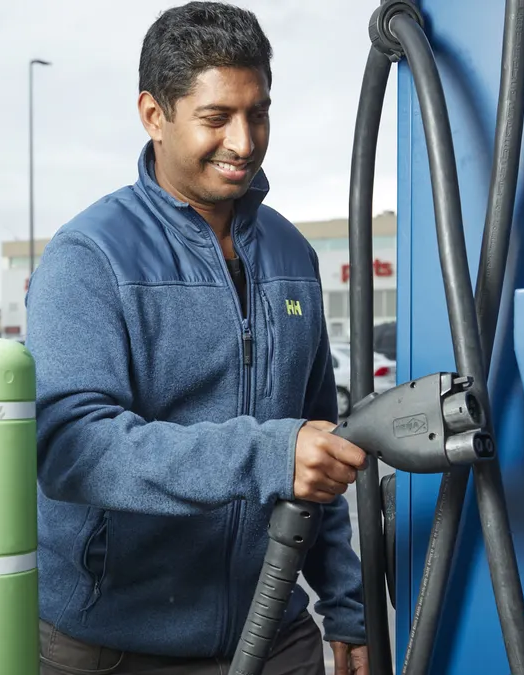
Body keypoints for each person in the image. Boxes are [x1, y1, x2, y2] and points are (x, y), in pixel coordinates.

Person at [26, 3, 370, 674]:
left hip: (271, 629)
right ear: (155, 115)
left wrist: (348, 604)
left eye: (258, 113)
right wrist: (265, 453)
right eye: (216, 118)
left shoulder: (291, 254)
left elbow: (324, 442)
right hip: (116, 645)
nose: (243, 142)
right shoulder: (89, 258)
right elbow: (72, 448)